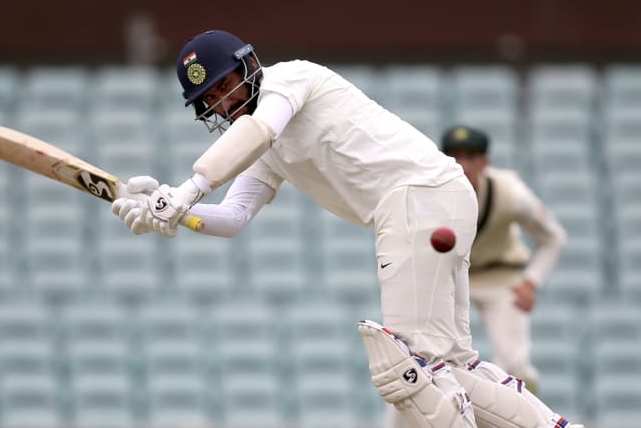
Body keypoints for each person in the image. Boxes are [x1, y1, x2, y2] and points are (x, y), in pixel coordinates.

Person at [111, 29, 583, 428]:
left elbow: (259, 132)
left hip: (416, 196)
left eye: (225, 85)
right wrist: (171, 213)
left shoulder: (289, 80)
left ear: (250, 65)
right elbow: (233, 218)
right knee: (451, 365)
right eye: (210, 99)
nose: (223, 102)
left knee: (406, 369)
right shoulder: (261, 141)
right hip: (430, 200)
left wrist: (186, 190)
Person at [439, 126, 568, 395]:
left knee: (514, 366)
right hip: (449, 278)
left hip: (500, 276)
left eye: (470, 157)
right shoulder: (428, 192)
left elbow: (554, 238)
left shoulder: (511, 192)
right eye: (454, 156)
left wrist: (531, 283)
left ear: (485, 161)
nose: (462, 165)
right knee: (426, 365)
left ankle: (530, 418)